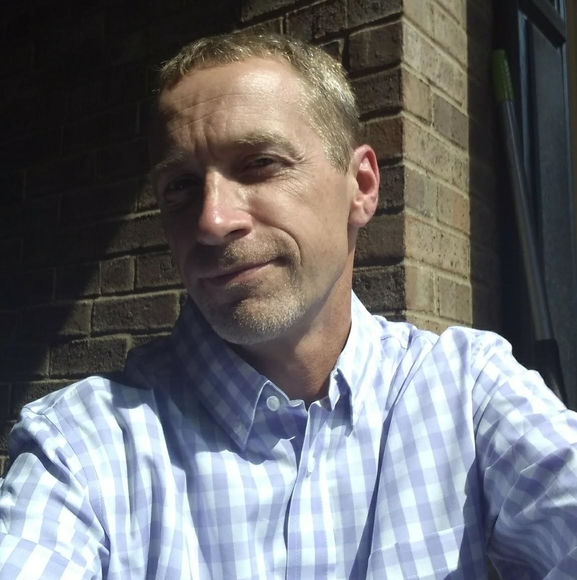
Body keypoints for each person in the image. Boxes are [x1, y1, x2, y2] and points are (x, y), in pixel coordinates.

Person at [1, 32, 576, 580]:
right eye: (180, 186)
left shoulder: (466, 393)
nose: (211, 221)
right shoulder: (81, 449)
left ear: (361, 186)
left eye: (260, 163)